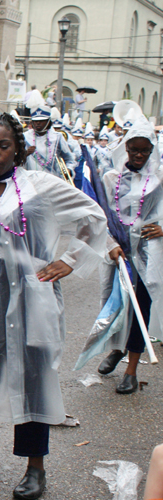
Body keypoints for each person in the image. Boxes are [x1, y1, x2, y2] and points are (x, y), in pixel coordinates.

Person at [0, 113, 106, 500]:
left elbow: (94, 216)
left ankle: (35, 466)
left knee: (34, 375)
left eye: (3, 146)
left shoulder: (40, 186)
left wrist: (69, 260)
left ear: (18, 149)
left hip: (34, 296)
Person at [96, 118, 163, 394]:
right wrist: (111, 243)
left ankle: (131, 369)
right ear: (125, 148)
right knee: (115, 304)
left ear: (151, 151)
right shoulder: (111, 178)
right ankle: (116, 348)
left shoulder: (160, 177)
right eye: (133, 149)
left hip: (149, 253)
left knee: (141, 308)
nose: (138, 155)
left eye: (144, 151)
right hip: (119, 251)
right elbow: (102, 215)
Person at [23, 101, 77, 180]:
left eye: (41, 121)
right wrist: (25, 154)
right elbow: (15, 160)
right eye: (35, 121)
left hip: (53, 181)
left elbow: (70, 159)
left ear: (48, 121)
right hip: (31, 181)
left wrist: (68, 170)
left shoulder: (57, 137)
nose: (38, 123)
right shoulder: (25, 136)